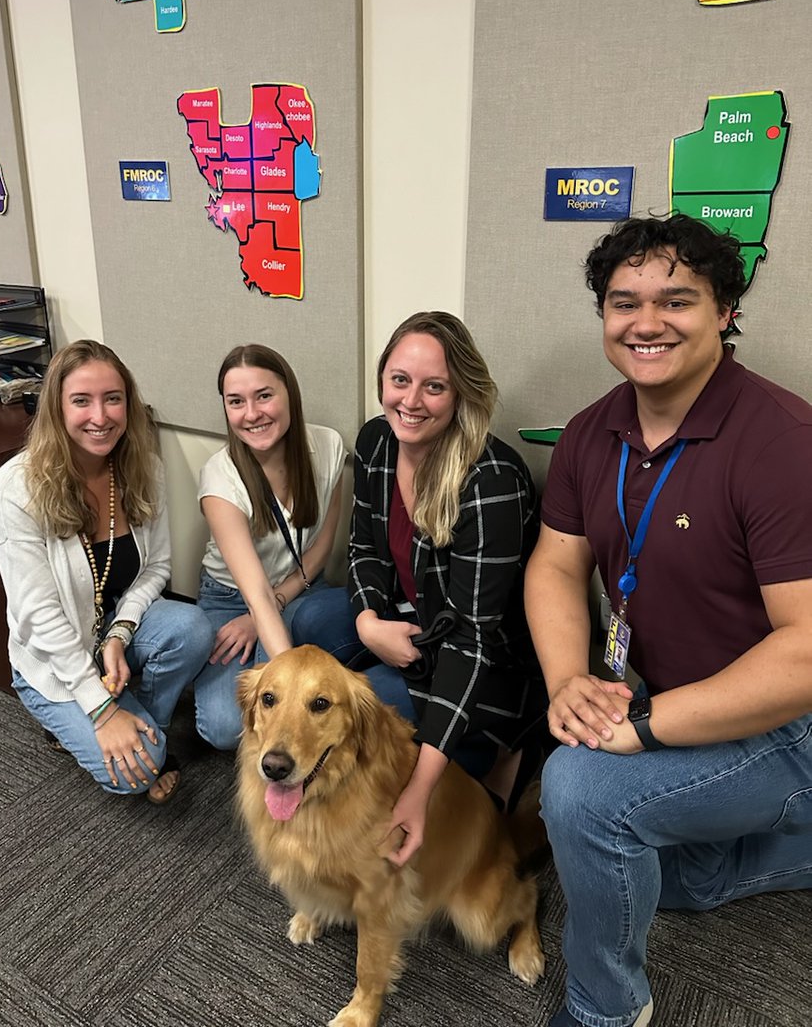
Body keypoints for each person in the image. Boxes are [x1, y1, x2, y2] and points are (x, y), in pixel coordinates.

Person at [525, 214, 812, 1027]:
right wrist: (568, 679)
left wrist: (643, 731)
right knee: (650, 872)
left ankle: (605, 1009)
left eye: (676, 300)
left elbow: (807, 653)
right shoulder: (592, 431)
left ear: (725, 310)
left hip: (783, 725)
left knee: (580, 795)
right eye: (624, 303)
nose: (646, 323)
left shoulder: (783, 442)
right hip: (665, 697)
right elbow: (554, 563)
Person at [299, 311, 547, 866]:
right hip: (410, 625)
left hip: (486, 662)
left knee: (359, 718)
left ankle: (495, 755)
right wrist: (367, 620)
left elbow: (471, 642)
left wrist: (420, 791)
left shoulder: (491, 482)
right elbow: (364, 548)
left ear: (460, 393)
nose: (411, 400)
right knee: (313, 623)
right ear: (383, 379)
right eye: (400, 380)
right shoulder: (376, 440)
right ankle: (459, 753)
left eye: (434, 386)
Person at [0, 340, 213, 803]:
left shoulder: (144, 467)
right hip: (52, 662)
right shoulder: (14, 488)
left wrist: (119, 636)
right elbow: (37, 616)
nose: (101, 415)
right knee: (137, 773)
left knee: (191, 627)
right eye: (81, 400)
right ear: (56, 407)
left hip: (110, 640)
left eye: (113, 398)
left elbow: (157, 568)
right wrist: (102, 710)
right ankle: (115, 729)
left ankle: (144, 726)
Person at [192, 344, 350, 750]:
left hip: (297, 587)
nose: (252, 413)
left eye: (264, 395)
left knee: (342, 630)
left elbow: (322, 549)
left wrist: (274, 604)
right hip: (232, 600)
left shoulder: (328, 446)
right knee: (225, 729)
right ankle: (193, 671)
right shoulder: (220, 478)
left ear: (289, 394)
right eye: (236, 402)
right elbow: (255, 596)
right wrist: (289, 689)